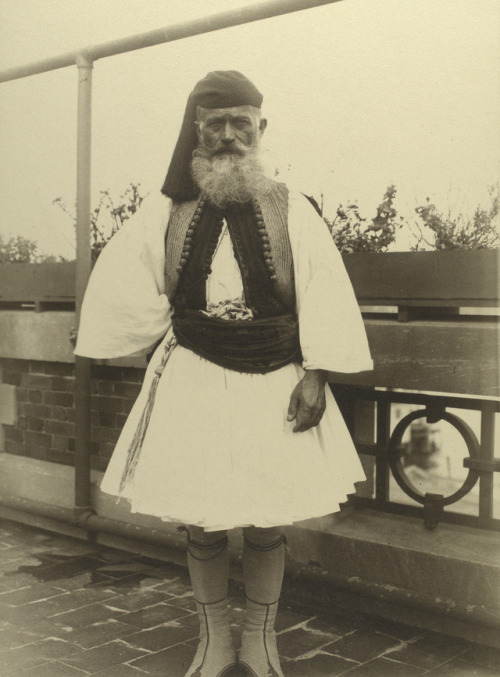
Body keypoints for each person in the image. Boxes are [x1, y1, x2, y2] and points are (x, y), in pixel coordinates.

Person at [75, 71, 373, 677]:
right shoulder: (166, 209)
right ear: (197, 132)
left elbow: (324, 292)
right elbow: (129, 287)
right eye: (217, 126)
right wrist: (102, 330)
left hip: (277, 379)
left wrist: (317, 373)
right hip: (195, 376)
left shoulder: (294, 207)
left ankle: (261, 642)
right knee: (202, 520)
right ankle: (213, 643)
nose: (231, 138)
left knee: (266, 520)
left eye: (243, 125)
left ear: (262, 129)